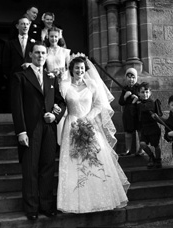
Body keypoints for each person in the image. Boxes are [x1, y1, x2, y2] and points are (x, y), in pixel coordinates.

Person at [57, 56, 130, 213]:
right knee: (74, 161)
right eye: (77, 68)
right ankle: (74, 202)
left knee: (94, 160)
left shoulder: (91, 85)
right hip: (71, 124)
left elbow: (99, 105)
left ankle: (99, 198)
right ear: (71, 69)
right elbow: (60, 102)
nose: (80, 71)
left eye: (82, 68)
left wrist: (88, 118)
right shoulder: (65, 85)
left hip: (89, 123)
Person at [10, 41, 66, 220]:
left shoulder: (51, 78)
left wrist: (55, 116)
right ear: (31, 55)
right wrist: (21, 131)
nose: (40, 56)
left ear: (46, 56)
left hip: (49, 128)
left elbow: (61, 102)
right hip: (31, 129)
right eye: (37, 53)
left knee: (48, 167)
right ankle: (31, 208)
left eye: (43, 53)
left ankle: (46, 206)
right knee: (30, 168)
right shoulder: (21, 76)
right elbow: (17, 107)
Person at [46, 27, 71, 145]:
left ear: (59, 37)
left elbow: (69, 69)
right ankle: (56, 141)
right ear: (48, 37)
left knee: (65, 109)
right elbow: (43, 68)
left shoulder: (65, 52)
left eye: (56, 36)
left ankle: (66, 141)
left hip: (63, 83)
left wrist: (61, 73)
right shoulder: (45, 51)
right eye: (51, 36)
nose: (53, 38)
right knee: (54, 108)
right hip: (50, 83)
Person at [137, 82, 162, 169]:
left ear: (150, 93)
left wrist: (138, 102)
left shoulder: (151, 102)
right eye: (142, 92)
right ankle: (151, 157)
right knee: (142, 144)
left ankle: (158, 160)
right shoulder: (139, 102)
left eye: (147, 92)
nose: (145, 94)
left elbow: (144, 108)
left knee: (156, 145)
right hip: (144, 128)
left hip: (153, 127)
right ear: (139, 93)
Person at [118, 68, 140, 156]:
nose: (131, 79)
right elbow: (121, 102)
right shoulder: (125, 89)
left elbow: (144, 97)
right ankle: (128, 149)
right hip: (128, 112)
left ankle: (140, 150)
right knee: (128, 132)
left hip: (138, 112)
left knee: (140, 130)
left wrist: (137, 97)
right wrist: (125, 97)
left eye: (133, 77)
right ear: (126, 78)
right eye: (129, 77)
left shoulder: (139, 87)